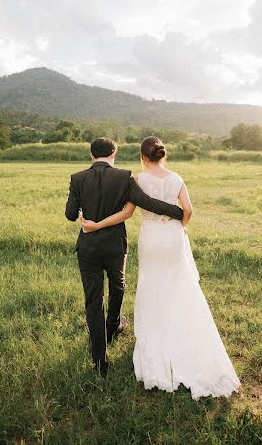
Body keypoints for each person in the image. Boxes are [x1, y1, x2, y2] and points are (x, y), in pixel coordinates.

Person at [82, 136, 241, 399]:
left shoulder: (139, 181)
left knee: (152, 286)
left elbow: (127, 213)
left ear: (143, 158)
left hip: (151, 239)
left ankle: (155, 345)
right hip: (173, 238)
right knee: (179, 286)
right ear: (162, 155)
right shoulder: (176, 178)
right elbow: (188, 210)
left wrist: (97, 225)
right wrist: (179, 227)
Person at [65, 137, 184, 376]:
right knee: (117, 286)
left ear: (92, 155)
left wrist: (81, 215)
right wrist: (178, 212)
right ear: (113, 154)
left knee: (93, 299)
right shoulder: (124, 177)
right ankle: (113, 326)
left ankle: (100, 360)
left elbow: (69, 214)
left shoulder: (78, 178)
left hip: (88, 247)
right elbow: (147, 203)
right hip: (115, 246)